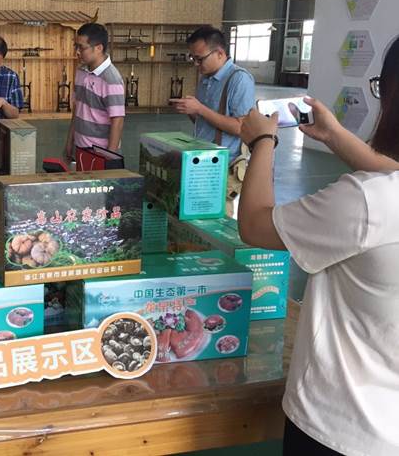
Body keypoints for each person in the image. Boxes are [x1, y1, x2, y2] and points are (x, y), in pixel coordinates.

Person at [237, 37, 399, 456]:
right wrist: (335, 136)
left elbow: (255, 224)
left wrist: (262, 143)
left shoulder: (368, 202)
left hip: (339, 425)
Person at [171, 26, 255, 215]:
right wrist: (190, 111)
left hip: (224, 166)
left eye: (200, 59)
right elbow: (207, 123)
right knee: (198, 216)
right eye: (193, 58)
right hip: (202, 163)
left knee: (217, 219)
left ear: (219, 53)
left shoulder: (239, 80)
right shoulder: (206, 79)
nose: (196, 64)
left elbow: (241, 127)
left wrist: (200, 109)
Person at [65, 23, 125, 166]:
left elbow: (117, 120)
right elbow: (77, 109)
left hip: (99, 153)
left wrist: (108, 159)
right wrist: (69, 141)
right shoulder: (81, 71)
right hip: (80, 147)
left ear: (98, 48)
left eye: (81, 47)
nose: (77, 52)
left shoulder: (111, 79)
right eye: (76, 46)